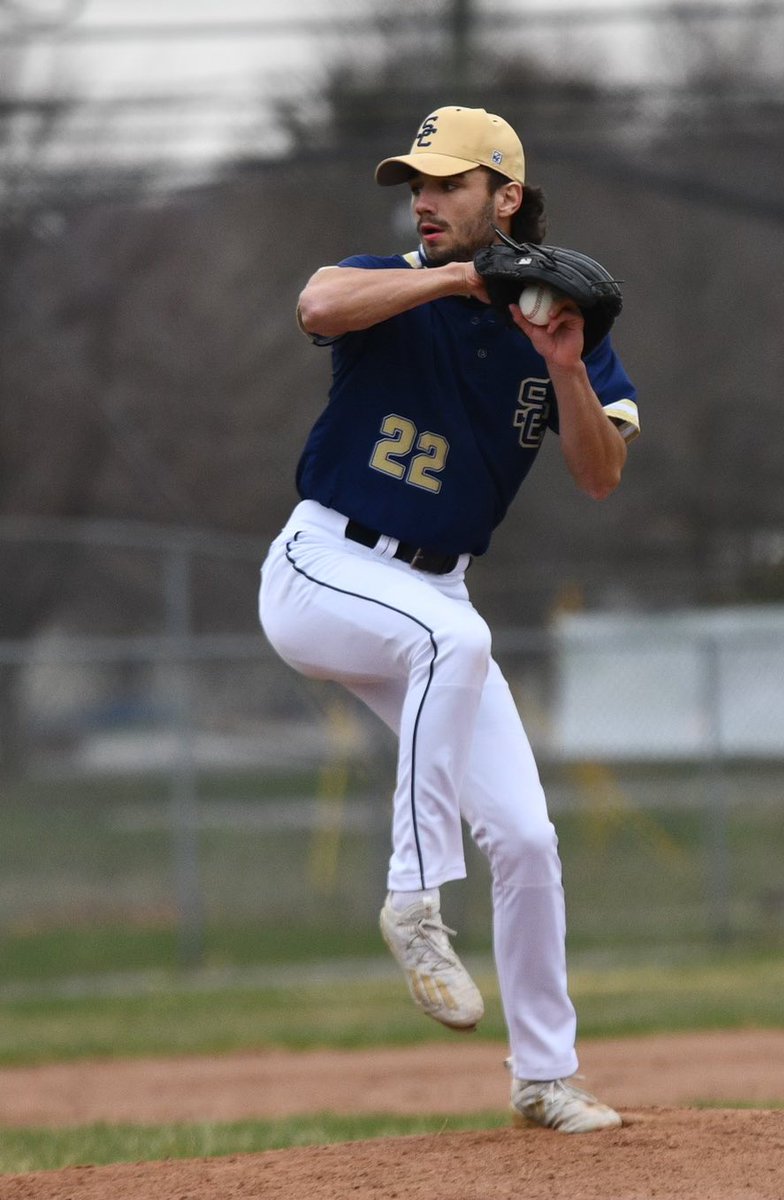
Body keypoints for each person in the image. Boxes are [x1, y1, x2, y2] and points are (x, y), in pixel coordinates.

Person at [258, 105, 640, 1134]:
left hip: (434, 594)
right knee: (452, 640)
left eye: (446, 183)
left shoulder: (562, 323)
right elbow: (319, 300)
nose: (422, 200)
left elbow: (599, 475)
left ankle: (544, 1076)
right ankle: (415, 903)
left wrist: (563, 362)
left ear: (504, 197)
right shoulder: (392, 286)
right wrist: (457, 280)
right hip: (322, 568)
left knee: (525, 834)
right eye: (414, 184)